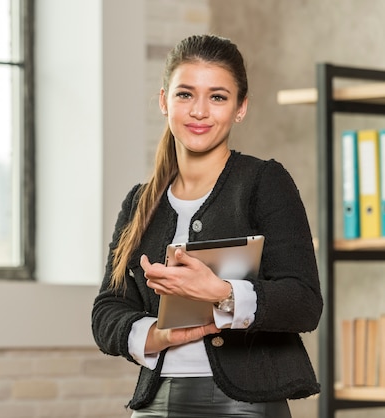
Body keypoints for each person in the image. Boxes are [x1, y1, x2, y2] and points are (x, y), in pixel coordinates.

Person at [91, 34, 323, 418]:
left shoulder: (264, 182)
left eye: (217, 97)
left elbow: (304, 303)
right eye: (185, 94)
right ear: (164, 101)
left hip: (246, 406)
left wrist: (221, 292)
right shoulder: (139, 201)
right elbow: (107, 309)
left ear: (240, 108)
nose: (200, 111)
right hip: (156, 402)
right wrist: (157, 333)